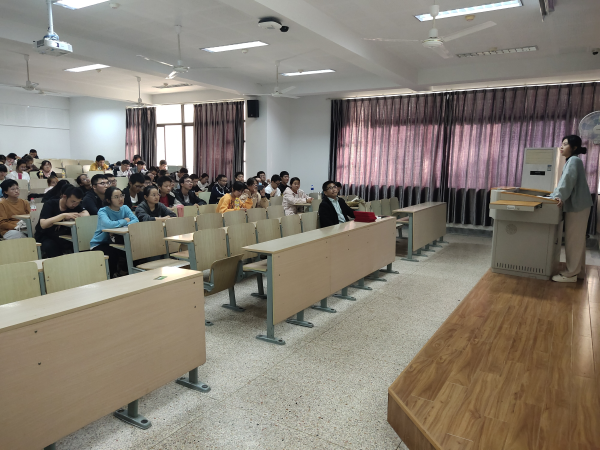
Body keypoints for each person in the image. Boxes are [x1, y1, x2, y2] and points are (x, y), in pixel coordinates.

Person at [549, 135, 594, 282]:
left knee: (573, 241)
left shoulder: (574, 160)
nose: (561, 147)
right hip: (580, 206)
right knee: (578, 240)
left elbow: (568, 180)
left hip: (577, 207)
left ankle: (571, 274)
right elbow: (566, 181)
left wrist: (558, 196)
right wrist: (555, 194)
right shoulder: (573, 160)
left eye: (565, 144)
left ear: (574, 148)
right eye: (561, 144)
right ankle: (578, 271)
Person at [90, 186, 138, 278]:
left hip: (118, 241)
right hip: (101, 243)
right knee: (112, 253)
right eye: (116, 197)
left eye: (121, 196)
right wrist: (125, 221)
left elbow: (135, 220)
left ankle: (124, 273)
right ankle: (111, 277)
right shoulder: (103, 211)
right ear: (108, 200)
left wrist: (119, 226)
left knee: (135, 249)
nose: (120, 199)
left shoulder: (125, 208)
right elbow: (109, 225)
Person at [36, 186, 89, 258]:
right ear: (64, 197)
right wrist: (63, 216)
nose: (75, 204)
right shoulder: (50, 204)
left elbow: (86, 214)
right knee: (51, 246)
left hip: (62, 235)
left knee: (82, 243)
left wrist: (75, 215)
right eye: (73, 201)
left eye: (78, 202)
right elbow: (43, 224)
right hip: (45, 236)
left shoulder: (75, 205)